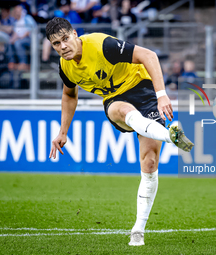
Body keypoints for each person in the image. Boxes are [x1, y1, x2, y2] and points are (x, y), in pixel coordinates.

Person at [46, 17, 194, 246]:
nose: (63, 46)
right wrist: (63, 132)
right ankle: (170, 136)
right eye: (56, 43)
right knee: (122, 110)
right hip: (115, 100)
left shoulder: (102, 45)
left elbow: (149, 56)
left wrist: (162, 94)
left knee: (150, 162)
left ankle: (138, 230)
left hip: (143, 89)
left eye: (65, 39)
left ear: (74, 34)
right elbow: (69, 94)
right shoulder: (66, 66)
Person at [8, 4, 36, 71]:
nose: (16, 12)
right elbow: (15, 34)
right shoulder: (16, 22)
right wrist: (10, 40)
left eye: (18, 10)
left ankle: (23, 63)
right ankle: (12, 62)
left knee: (18, 43)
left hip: (31, 39)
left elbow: (30, 30)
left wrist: (20, 38)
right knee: (9, 43)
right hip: (21, 39)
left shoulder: (27, 18)